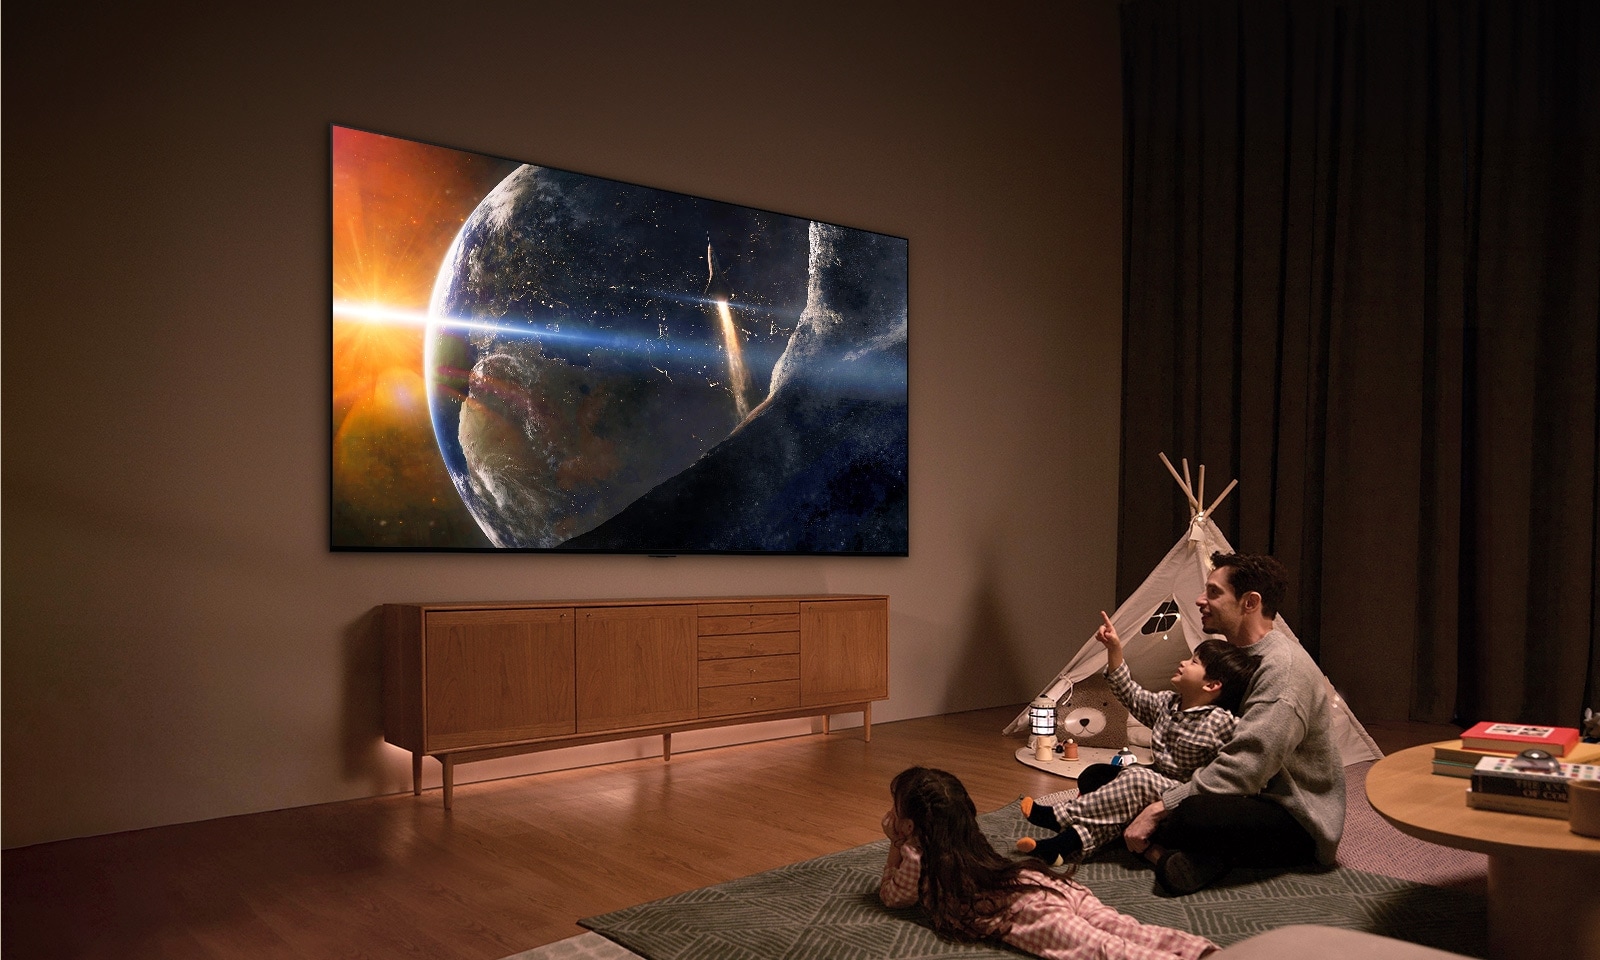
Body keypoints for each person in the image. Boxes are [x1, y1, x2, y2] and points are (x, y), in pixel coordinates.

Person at [1122, 552, 1346, 895]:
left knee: (1190, 813)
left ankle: (1171, 852)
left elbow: (1245, 769)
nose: (1200, 600)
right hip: (1241, 791)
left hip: (1290, 813)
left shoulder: (1282, 671)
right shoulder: (1231, 658)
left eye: (1213, 592)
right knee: (1105, 778)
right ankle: (1181, 856)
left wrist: (1160, 806)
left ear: (1250, 602)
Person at [879, 766, 1218, 960]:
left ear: (908, 826)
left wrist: (896, 844)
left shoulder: (914, 855)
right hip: (1046, 883)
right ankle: (1201, 951)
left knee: (1099, 949)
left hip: (1026, 911)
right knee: (1122, 927)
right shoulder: (968, 838)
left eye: (895, 810)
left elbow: (893, 897)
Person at [1015, 620, 1260, 866]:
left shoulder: (1222, 722)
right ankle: (1061, 848)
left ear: (1212, 684)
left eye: (1194, 662)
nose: (1184, 662)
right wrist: (1114, 650)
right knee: (1112, 784)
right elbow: (1129, 693)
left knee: (1136, 779)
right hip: (1157, 783)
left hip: (1187, 795)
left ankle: (1059, 814)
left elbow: (1240, 765)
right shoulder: (1167, 703)